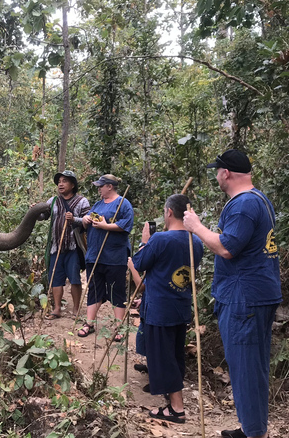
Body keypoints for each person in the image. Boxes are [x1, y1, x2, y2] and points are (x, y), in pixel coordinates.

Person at [183, 149, 281, 438]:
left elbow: (227, 247)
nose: (216, 176)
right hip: (256, 293)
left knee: (246, 369)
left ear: (226, 173)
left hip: (244, 298)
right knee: (252, 367)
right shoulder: (259, 200)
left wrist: (196, 227)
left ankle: (254, 432)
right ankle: (253, 427)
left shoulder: (243, 205)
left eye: (217, 171)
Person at [132, 194, 203, 424]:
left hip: (160, 309)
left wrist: (145, 241)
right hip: (180, 307)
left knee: (164, 359)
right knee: (174, 355)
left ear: (169, 212)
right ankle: (173, 401)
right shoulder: (197, 241)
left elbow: (139, 263)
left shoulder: (160, 239)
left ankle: (177, 409)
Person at [78, 174, 134, 339]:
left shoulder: (123, 203)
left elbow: (127, 224)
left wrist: (106, 226)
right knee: (94, 289)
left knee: (116, 290)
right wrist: (86, 219)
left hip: (114, 256)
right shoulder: (98, 204)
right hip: (95, 255)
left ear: (110, 186)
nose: (99, 189)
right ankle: (89, 323)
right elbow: (90, 218)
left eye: (101, 186)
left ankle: (119, 327)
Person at [39, 170, 91, 318]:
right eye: (59, 181)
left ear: (73, 185)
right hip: (56, 246)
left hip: (73, 247)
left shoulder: (82, 201)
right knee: (55, 277)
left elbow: (88, 220)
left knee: (74, 278)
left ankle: (76, 309)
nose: (61, 184)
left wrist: (75, 219)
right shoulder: (53, 200)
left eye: (64, 181)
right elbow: (43, 216)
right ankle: (56, 308)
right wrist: (36, 211)